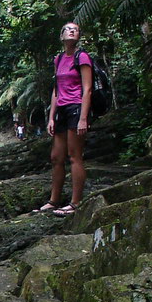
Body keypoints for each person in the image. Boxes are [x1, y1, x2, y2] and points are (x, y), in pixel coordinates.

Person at [35, 20, 92, 216]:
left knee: (74, 156)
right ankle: (54, 200)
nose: (72, 32)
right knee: (56, 157)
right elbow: (56, 90)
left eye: (75, 30)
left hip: (76, 108)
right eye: (68, 29)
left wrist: (83, 118)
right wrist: (51, 117)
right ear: (62, 36)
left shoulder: (82, 57)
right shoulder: (58, 59)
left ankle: (75, 203)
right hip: (61, 110)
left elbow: (87, 89)